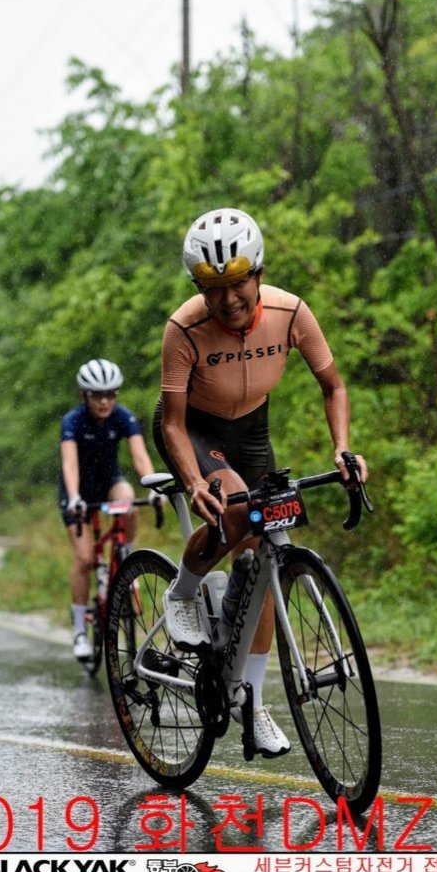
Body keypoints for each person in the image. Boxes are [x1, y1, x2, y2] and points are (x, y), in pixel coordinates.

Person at [153, 207, 368, 758]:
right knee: (236, 513)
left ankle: (251, 698)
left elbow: (333, 386)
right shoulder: (183, 328)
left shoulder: (291, 311)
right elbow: (172, 421)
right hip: (195, 429)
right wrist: (195, 478)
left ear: (259, 272)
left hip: (252, 429)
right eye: (212, 287)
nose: (228, 299)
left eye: (238, 282)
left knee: (268, 550)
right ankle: (181, 592)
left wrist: (342, 449)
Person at [59, 358, 163, 662]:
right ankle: (80, 630)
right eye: (96, 395)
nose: (104, 401)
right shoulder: (73, 421)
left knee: (129, 498)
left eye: (110, 394)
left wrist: (154, 488)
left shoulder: (124, 418)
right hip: (77, 490)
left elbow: (140, 457)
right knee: (85, 559)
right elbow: (70, 463)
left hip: (109, 483)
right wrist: (75, 496)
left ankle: (125, 554)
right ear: (84, 396)